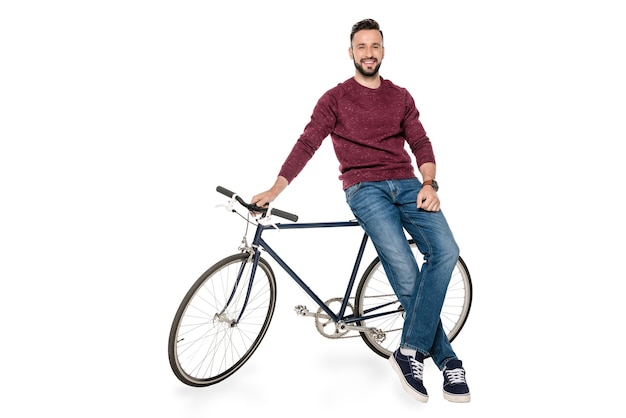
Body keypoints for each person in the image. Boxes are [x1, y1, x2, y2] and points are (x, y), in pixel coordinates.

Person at [251, 18, 470, 404]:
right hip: (364, 188)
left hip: (408, 185)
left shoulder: (400, 96)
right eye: (361, 47)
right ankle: (447, 359)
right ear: (351, 53)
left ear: (383, 51)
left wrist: (429, 184)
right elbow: (307, 144)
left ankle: (409, 351)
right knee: (403, 267)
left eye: (375, 46)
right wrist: (275, 188)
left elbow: (420, 142)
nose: (369, 53)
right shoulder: (335, 98)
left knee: (447, 251)